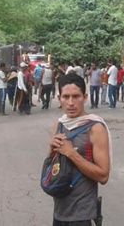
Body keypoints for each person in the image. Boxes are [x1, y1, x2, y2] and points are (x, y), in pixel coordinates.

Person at [48, 73, 111, 225]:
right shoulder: (59, 124)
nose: (71, 102)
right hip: (59, 210)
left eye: (76, 96)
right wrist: (51, 150)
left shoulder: (95, 128)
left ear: (85, 97)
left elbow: (103, 176)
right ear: (59, 98)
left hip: (81, 215)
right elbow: (53, 167)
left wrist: (71, 153)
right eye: (66, 97)